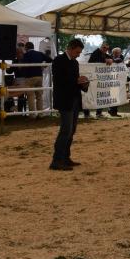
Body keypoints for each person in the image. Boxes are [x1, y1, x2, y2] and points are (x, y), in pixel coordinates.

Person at [50, 38, 88, 171]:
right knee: (66, 130)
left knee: (71, 130)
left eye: (79, 52)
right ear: (70, 49)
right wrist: (77, 81)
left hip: (75, 100)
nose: (78, 55)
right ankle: (56, 160)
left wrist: (84, 83)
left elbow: (75, 81)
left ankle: (65, 157)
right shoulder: (58, 61)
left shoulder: (75, 63)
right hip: (64, 100)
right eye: (77, 52)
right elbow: (59, 80)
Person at [19, 41, 51, 118]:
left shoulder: (26, 55)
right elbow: (50, 60)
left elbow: (22, 66)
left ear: (26, 48)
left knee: (31, 96)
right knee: (39, 96)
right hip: (39, 76)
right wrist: (43, 66)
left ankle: (32, 115)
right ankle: (41, 114)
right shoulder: (39, 53)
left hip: (29, 77)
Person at [84, 42, 113, 118]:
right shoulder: (95, 53)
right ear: (101, 47)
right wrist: (106, 60)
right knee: (89, 95)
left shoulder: (106, 55)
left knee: (101, 95)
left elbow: (112, 59)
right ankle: (87, 114)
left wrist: (111, 60)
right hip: (92, 77)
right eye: (104, 47)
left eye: (107, 48)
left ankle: (99, 113)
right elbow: (95, 60)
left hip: (100, 79)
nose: (105, 49)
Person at [108, 47, 125, 117]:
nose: (116, 54)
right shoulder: (109, 57)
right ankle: (112, 111)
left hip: (118, 79)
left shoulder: (120, 58)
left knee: (117, 95)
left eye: (117, 53)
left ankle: (113, 111)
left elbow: (119, 60)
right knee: (112, 95)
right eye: (115, 53)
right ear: (113, 53)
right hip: (110, 79)